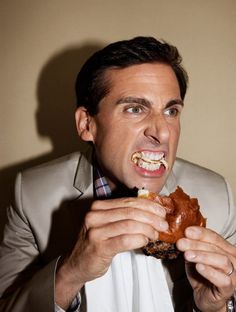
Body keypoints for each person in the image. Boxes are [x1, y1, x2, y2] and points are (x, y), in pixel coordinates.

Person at [0, 36, 236, 312]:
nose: (161, 132)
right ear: (87, 124)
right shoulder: (30, 195)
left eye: (171, 111)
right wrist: (70, 273)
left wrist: (216, 308)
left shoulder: (218, 197)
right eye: (135, 109)